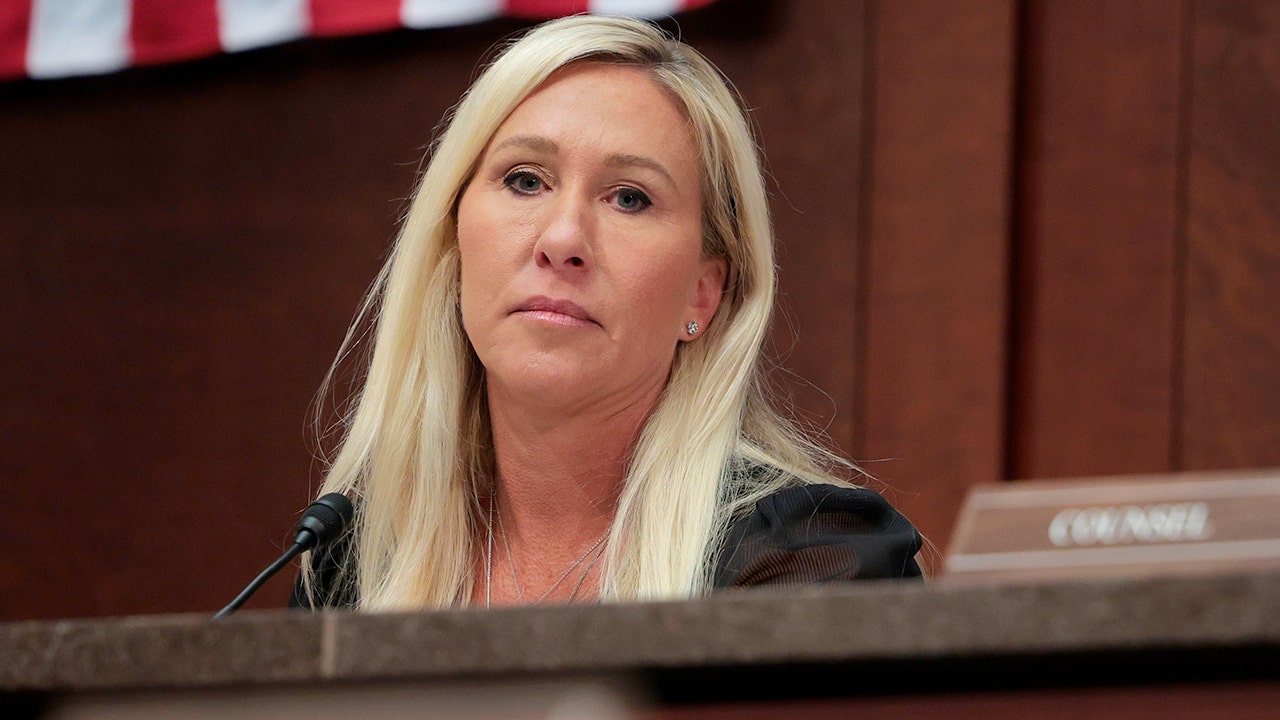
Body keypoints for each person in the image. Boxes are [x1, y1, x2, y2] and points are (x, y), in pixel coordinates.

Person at [294, 15, 921, 611]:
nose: (563, 239)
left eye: (629, 198)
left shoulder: (808, 560)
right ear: (453, 243)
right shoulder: (349, 565)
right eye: (525, 180)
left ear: (703, 293)